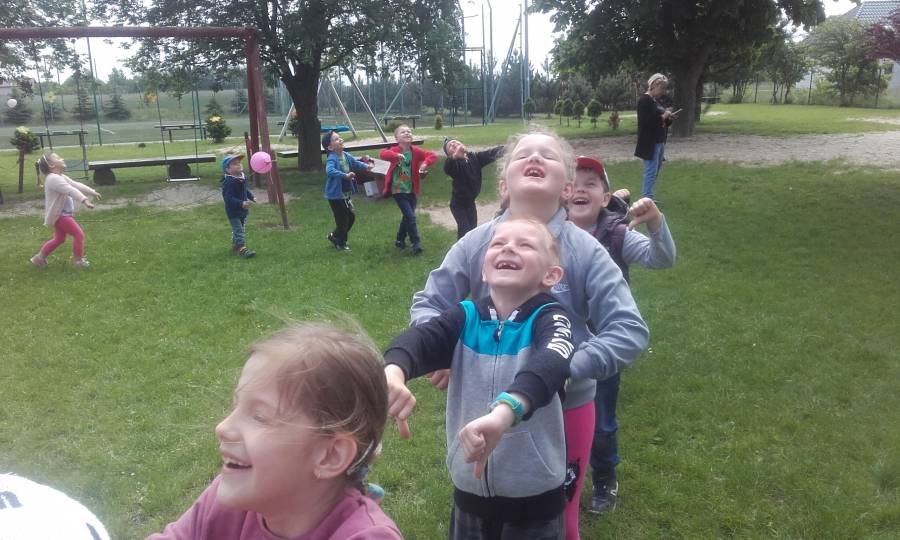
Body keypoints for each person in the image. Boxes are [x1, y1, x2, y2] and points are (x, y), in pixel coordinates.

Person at [410, 129, 649, 540]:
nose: (535, 158)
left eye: (548, 156)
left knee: (560, 521)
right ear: (503, 184)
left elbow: (629, 329)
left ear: (567, 188)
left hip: (566, 408)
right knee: (480, 511)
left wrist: (564, 367)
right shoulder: (477, 244)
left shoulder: (585, 250)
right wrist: (445, 350)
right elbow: (429, 303)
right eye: (523, 154)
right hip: (481, 407)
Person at [385, 217, 575, 539]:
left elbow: (551, 363)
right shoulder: (466, 317)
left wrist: (504, 413)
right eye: (498, 243)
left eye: (525, 245)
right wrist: (393, 372)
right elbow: (420, 340)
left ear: (551, 275)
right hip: (469, 492)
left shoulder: (552, 318)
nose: (508, 248)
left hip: (535, 500)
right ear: (484, 271)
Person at [147, 323, 403, 540]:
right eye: (236, 405)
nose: (222, 427)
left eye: (259, 416)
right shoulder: (224, 503)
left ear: (330, 455)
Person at [569, 156, 676, 516]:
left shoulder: (616, 233)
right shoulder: (547, 232)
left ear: (605, 198)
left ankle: (604, 476)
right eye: (574, 183)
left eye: (591, 184)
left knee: (601, 422)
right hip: (554, 344)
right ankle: (560, 476)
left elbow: (662, 258)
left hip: (601, 348)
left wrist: (656, 222)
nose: (581, 189)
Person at [30, 153, 100, 269]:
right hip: (61, 216)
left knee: (59, 239)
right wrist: (85, 200)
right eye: (58, 158)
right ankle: (78, 261)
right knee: (78, 235)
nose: (62, 158)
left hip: (60, 215)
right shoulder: (53, 179)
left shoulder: (60, 176)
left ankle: (39, 258)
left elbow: (76, 185)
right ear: (52, 165)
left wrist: (92, 192)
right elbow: (70, 190)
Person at [379, 125, 437, 255]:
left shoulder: (415, 151)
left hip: (412, 190)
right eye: (403, 132)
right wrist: (396, 155)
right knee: (411, 216)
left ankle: (400, 239)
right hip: (398, 190)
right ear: (396, 138)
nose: (407, 133)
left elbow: (432, 155)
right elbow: (382, 154)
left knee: (407, 216)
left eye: (409, 131)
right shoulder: (394, 150)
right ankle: (416, 242)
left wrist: (425, 164)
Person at [442, 138, 503, 239]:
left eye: (455, 142)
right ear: (449, 154)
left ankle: (469, 248)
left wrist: (509, 148)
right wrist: (455, 157)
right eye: (450, 146)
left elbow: (491, 153)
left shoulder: (474, 157)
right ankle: (461, 249)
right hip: (458, 205)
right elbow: (447, 168)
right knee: (464, 231)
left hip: (470, 203)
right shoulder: (454, 164)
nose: (453, 144)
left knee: (472, 230)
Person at [323, 130, 374, 252]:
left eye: (340, 137)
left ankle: (334, 236)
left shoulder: (345, 155)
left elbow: (355, 163)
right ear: (330, 147)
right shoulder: (332, 158)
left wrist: (366, 166)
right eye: (336, 139)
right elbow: (329, 171)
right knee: (343, 220)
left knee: (351, 217)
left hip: (345, 194)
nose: (340, 140)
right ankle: (341, 243)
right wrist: (345, 175)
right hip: (335, 196)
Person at [634, 73, 679, 202]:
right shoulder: (644, 101)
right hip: (650, 142)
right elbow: (647, 122)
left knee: (655, 170)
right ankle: (647, 198)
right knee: (651, 171)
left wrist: (669, 118)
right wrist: (663, 116)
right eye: (662, 88)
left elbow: (660, 122)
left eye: (665, 89)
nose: (664, 92)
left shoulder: (654, 101)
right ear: (654, 85)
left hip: (659, 141)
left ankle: (649, 196)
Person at [221, 155, 256, 258]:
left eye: (239, 163)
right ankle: (242, 249)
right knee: (239, 230)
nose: (239, 165)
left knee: (240, 229)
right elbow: (228, 198)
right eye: (235, 164)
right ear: (228, 170)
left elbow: (244, 190)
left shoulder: (241, 177)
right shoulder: (229, 182)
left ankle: (236, 246)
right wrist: (241, 203)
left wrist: (251, 197)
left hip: (243, 211)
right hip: (233, 212)